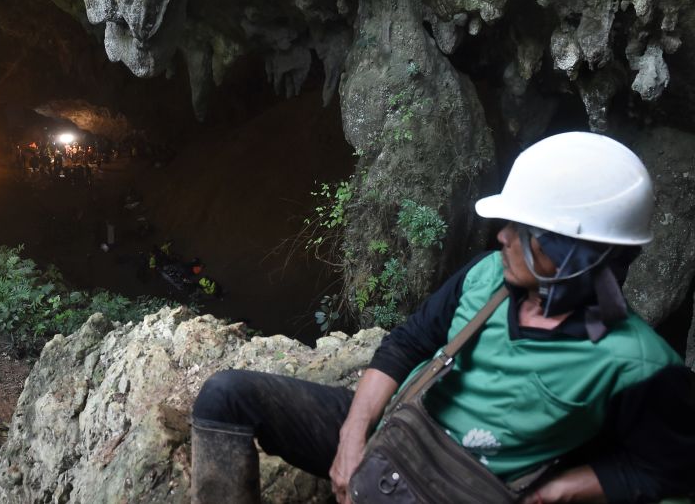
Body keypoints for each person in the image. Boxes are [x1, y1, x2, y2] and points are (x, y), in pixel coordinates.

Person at [190, 132, 695, 504]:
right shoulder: (485, 277)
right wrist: (351, 436)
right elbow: (407, 344)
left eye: (521, 230)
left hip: (464, 487)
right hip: (400, 432)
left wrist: (560, 491)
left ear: (573, 255)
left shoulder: (640, 365)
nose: (501, 237)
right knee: (226, 396)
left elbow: (669, 471)